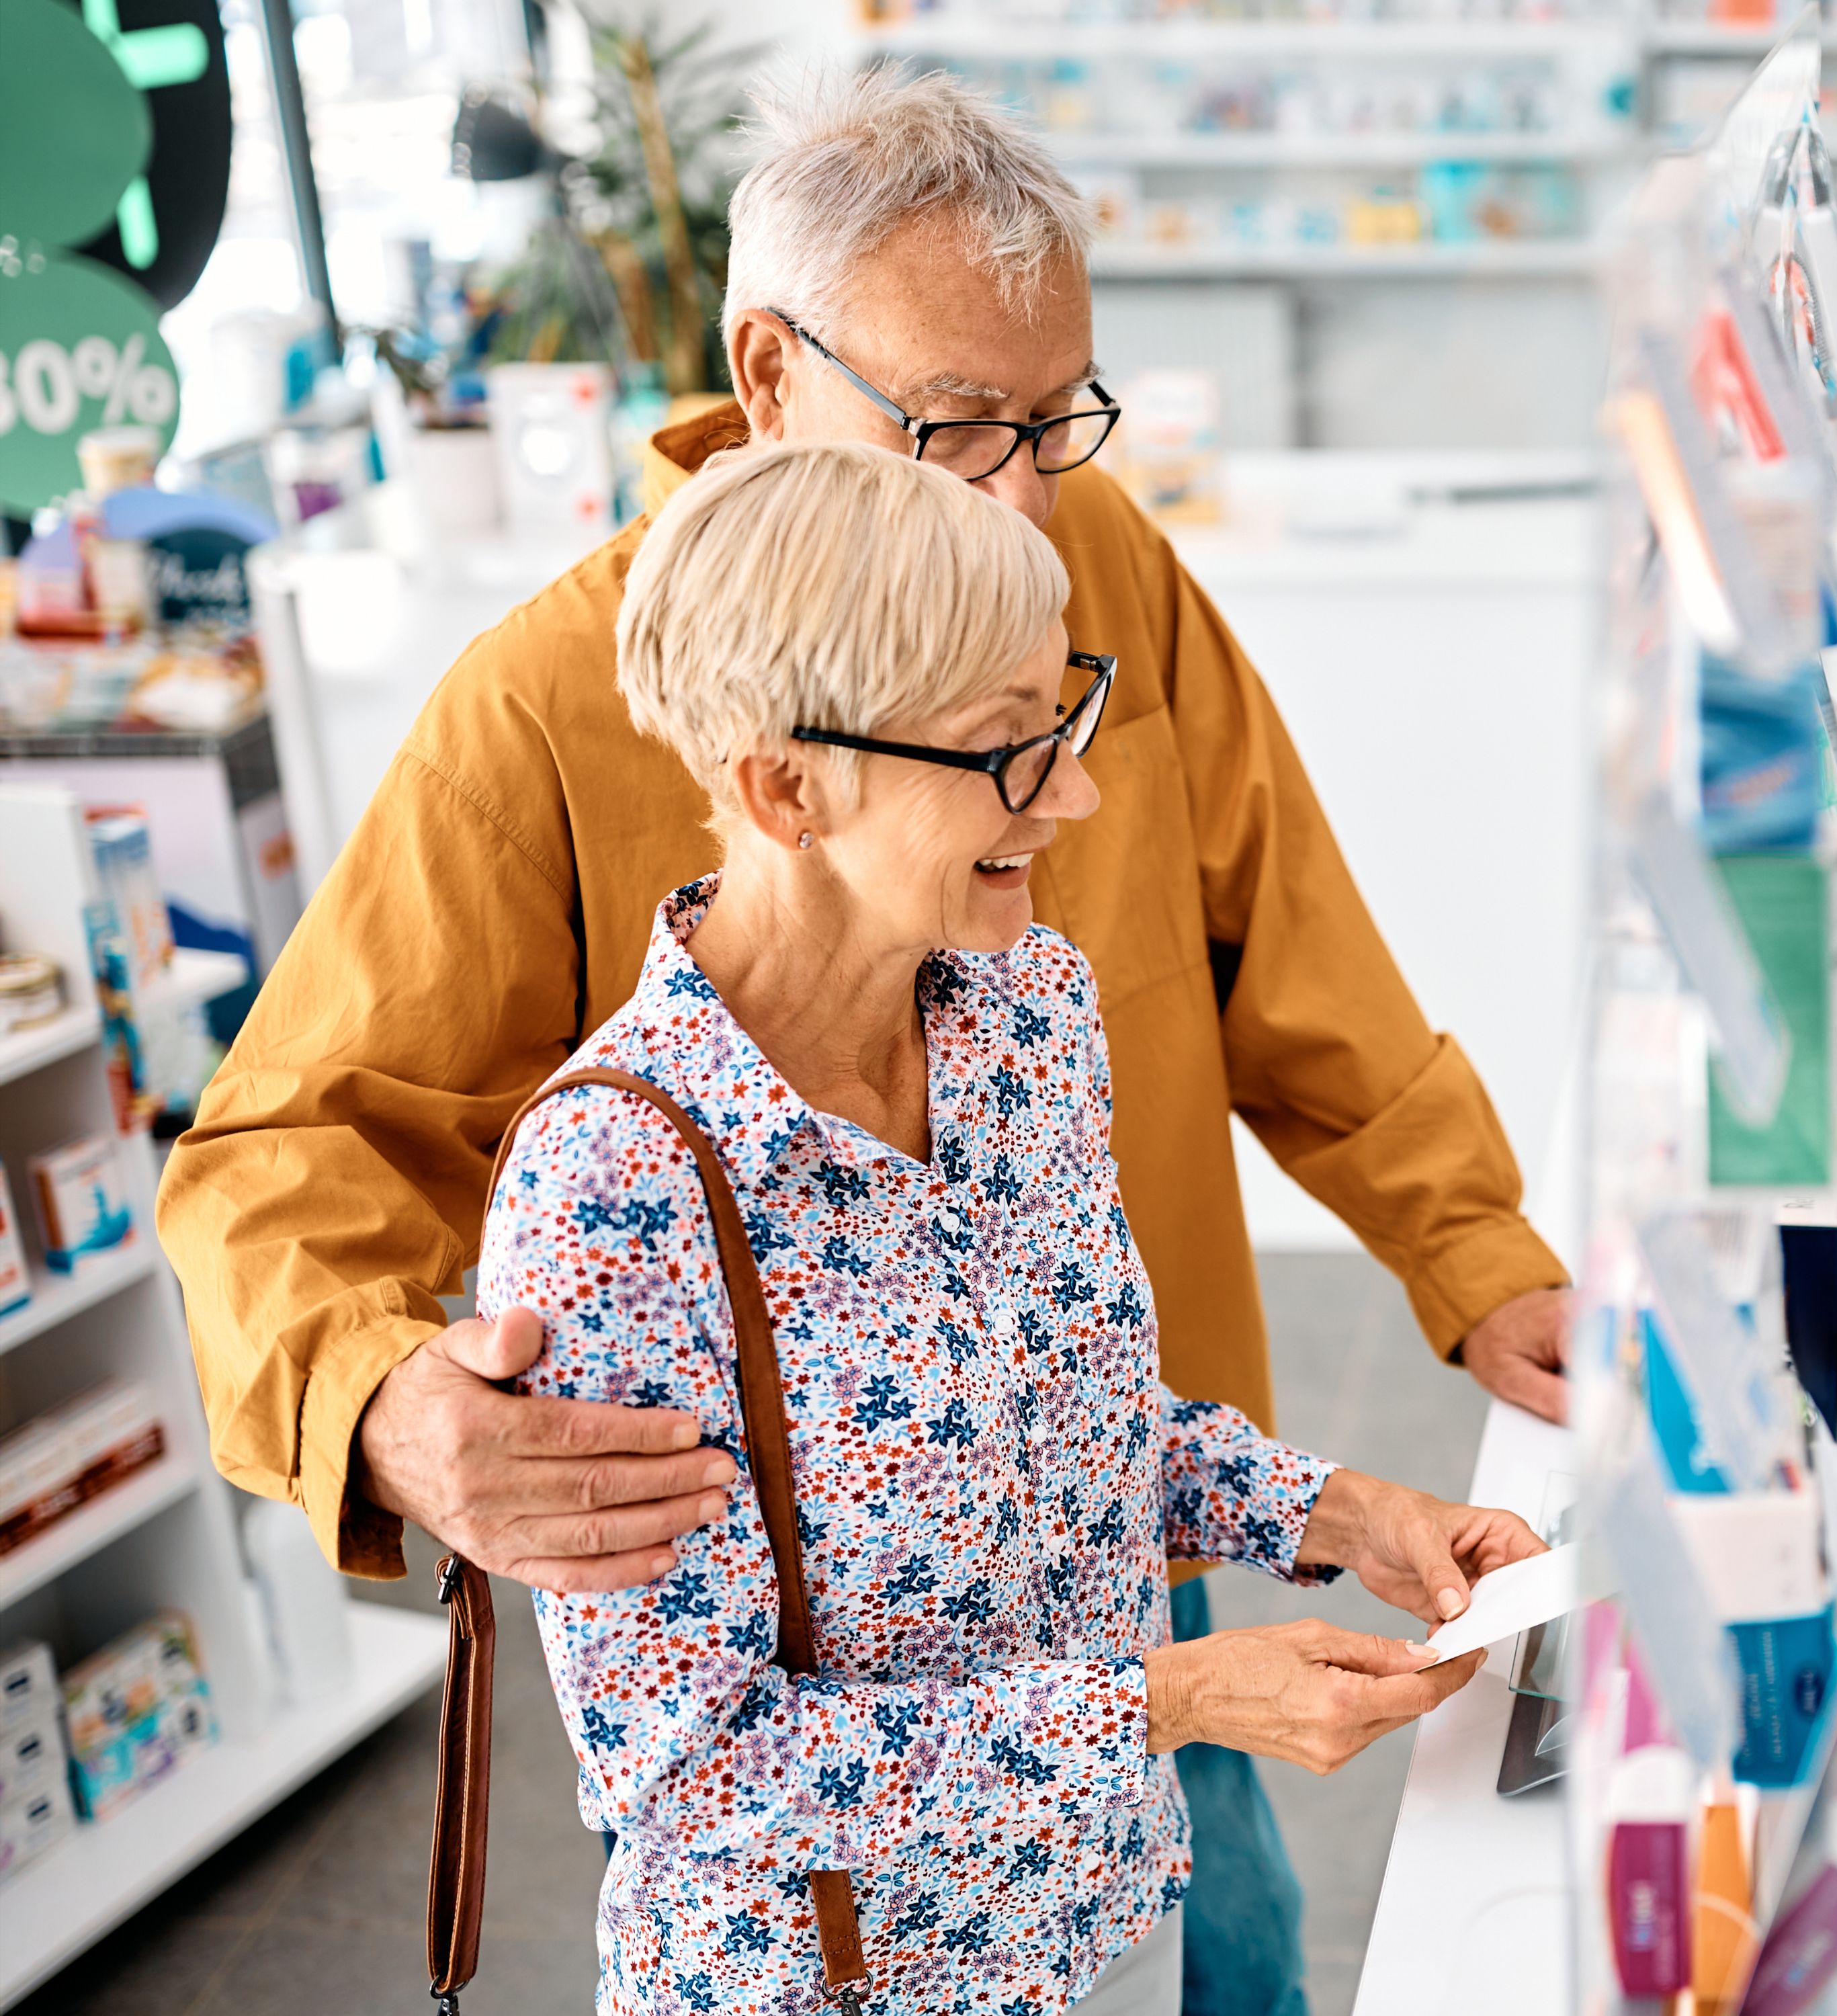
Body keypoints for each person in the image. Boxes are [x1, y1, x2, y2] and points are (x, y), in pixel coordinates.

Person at [159, 67, 1568, 2015]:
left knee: (1223, 1943)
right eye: (959, 426)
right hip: (842, 1755)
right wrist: (381, 1409)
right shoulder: (542, 725)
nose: (1020, 493)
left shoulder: (1096, 598)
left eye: (1056, 420)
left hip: (1114, 1531)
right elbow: (284, 1151)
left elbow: (1286, 935)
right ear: (767, 372)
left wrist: (1469, 1265)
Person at [488, 435, 1533, 2015]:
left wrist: (1345, 1519)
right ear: (785, 785)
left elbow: (1074, 1424)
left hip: (1099, 1922)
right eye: (1004, 750)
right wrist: (1170, 1699)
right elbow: (688, 1776)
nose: (1078, 792)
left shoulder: (1023, 1012)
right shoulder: (616, 1190)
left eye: (1066, 719)